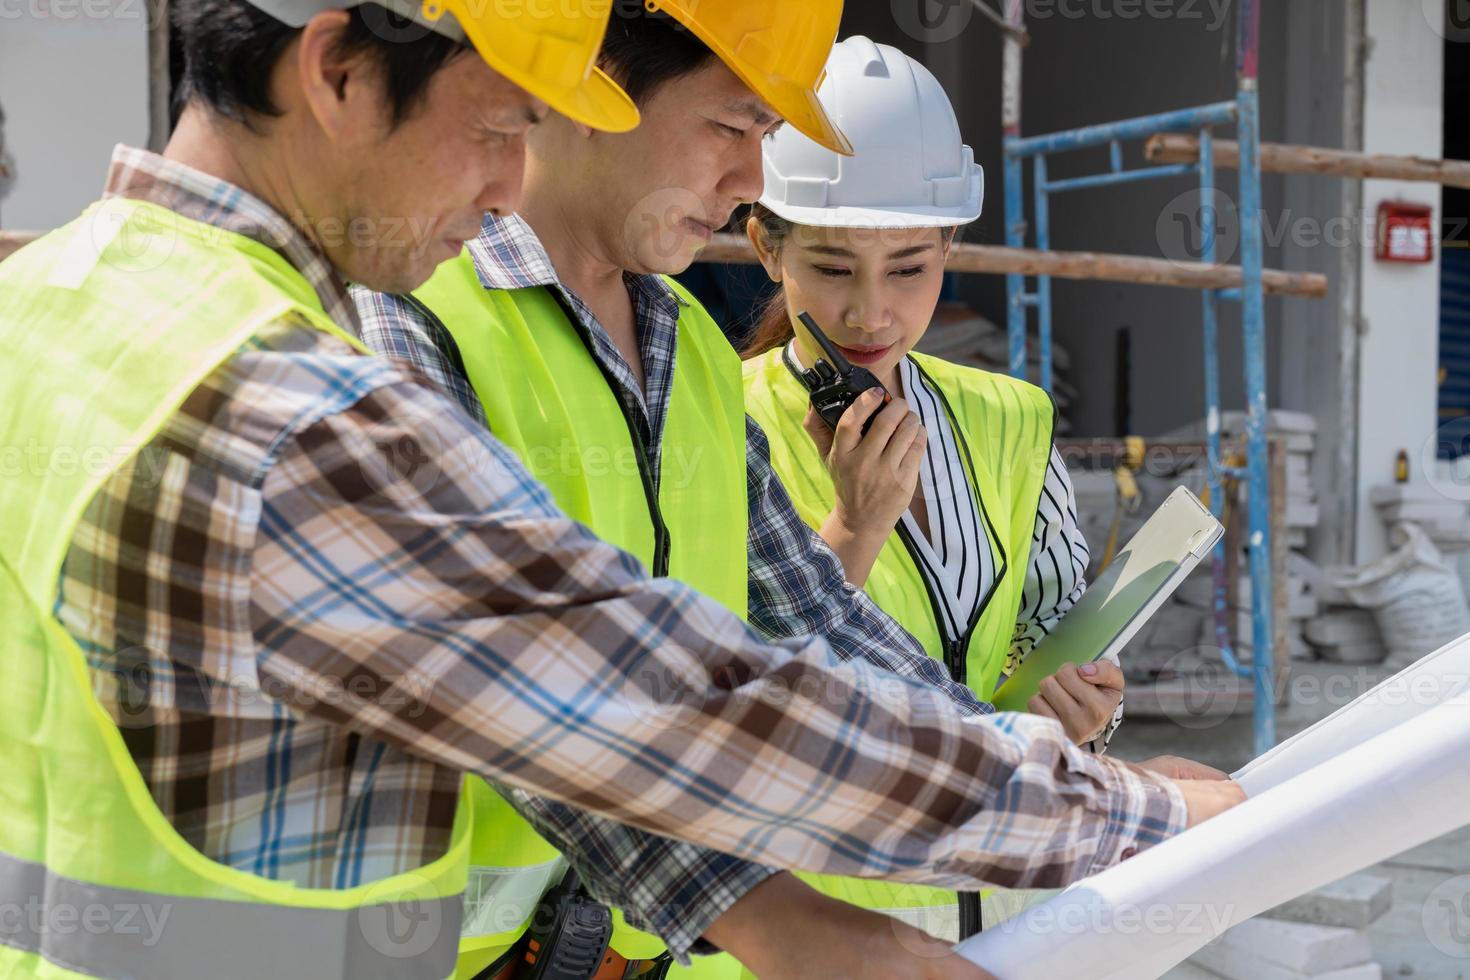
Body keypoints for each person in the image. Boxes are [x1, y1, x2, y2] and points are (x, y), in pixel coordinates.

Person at [0, 4, 1243, 980]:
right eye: (499, 124)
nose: (506, 181)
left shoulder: (56, 302)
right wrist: (1107, 815)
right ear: (336, 72)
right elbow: (648, 700)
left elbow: (793, 622)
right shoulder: (281, 404)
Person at [740, 37, 1127, 942]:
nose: (870, 313)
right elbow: (723, 694)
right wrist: (853, 528)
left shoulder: (1010, 417)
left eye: (910, 268)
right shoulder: (710, 419)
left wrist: (1085, 708)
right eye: (832, 268)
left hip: (1004, 921)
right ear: (766, 244)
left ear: (951, 245)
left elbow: (1045, 628)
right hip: (818, 936)